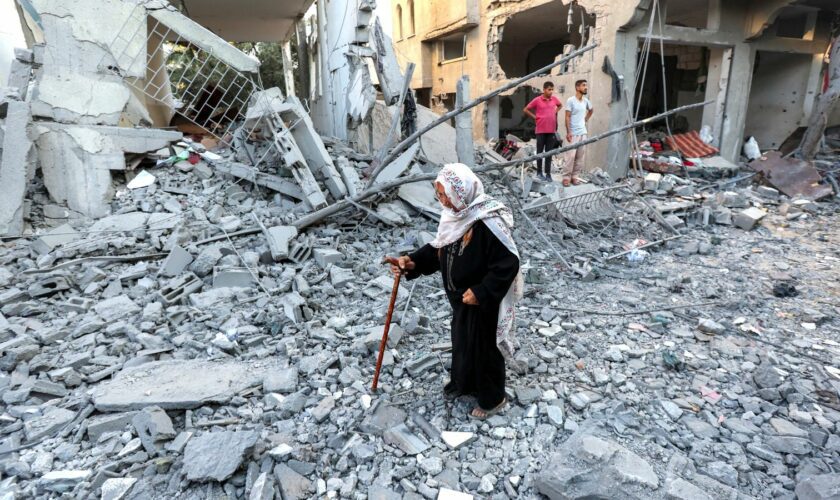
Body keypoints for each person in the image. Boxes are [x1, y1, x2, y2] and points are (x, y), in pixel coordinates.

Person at [390, 164, 522, 419]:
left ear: (461, 193)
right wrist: (412, 262)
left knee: (485, 347)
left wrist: (482, 292)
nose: (441, 200)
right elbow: (439, 249)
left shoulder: (488, 222)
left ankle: (493, 398)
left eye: (444, 194)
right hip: (460, 299)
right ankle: (464, 384)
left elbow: (508, 263)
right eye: (438, 194)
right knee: (462, 342)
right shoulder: (455, 216)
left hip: (483, 303)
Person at [524, 82, 562, 182]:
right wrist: (535, 117)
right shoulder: (537, 100)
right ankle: (539, 172)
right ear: (544, 89)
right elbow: (526, 109)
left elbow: (560, 105)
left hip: (551, 131)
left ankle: (548, 174)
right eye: (549, 89)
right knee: (540, 153)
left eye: (552, 89)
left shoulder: (554, 99)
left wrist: (555, 111)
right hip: (540, 131)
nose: (551, 91)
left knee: (549, 153)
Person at [563, 79, 594, 187]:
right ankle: (566, 177)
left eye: (586, 85)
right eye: (583, 85)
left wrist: (585, 120)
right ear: (577, 87)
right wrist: (568, 132)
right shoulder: (570, 100)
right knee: (570, 156)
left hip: (583, 133)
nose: (586, 87)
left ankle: (574, 177)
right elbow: (567, 116)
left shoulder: (586, 101)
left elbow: (591, 110)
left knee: (580, 157)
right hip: (573, 133)